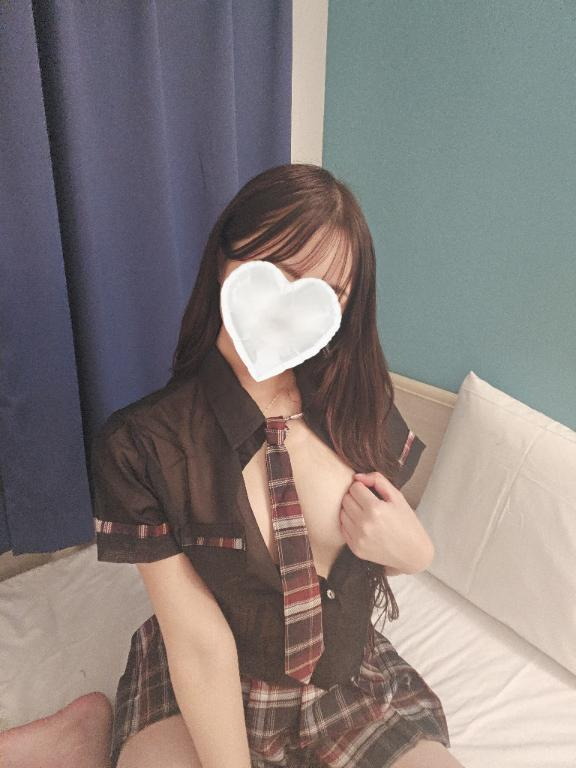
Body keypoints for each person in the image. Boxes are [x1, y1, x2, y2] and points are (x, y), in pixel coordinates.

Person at [90, 163, 465, 768]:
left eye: (327, 292)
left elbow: (371, 551)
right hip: (207, 683)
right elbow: (198, 641)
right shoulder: (141, 445)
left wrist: (417, 554)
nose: (293, 304)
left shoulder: (360, 406)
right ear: (224, 261)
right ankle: (88, 727)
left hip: (344, 677)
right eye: (277, 271)